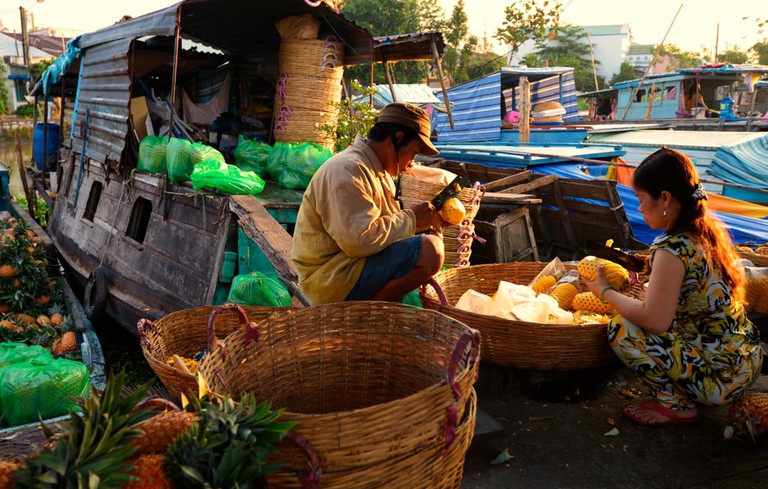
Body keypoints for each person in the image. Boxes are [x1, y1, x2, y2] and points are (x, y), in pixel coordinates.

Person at [583, 147, 763, 426]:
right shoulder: (704, 233)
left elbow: (655, 321)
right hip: (742, 363)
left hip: (718, 381)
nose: (640, 208)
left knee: (621, 328)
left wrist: (604, 292)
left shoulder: (672, 249)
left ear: (664, 198)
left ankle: (677, 405)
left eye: (642, 199)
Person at [291, 102, 448, 306]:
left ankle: (373, 310)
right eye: (414, 153)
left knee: (430, 244)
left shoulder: (376, 171)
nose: (411, 163)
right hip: (329, 281)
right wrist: (413, 218)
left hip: (347, 269)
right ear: (398, 138)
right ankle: (363, 313)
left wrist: (431, 224)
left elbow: (386, 233)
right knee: (431, 251)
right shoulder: (348, 170)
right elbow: (360, 241)